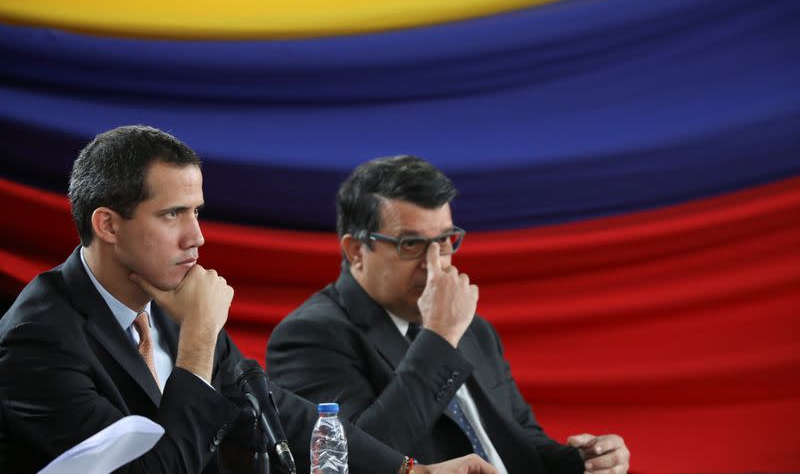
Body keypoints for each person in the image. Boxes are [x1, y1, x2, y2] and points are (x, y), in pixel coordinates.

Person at [0, 126, 496, 474]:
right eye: (172, 215)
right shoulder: (37, 340)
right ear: (107, 224)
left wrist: (410, 471)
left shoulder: (168, 299)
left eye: (197, 212)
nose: (196, 238)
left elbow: (279, 412)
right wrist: (197, 342)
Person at [267, 156, 631, 474]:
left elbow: (520, 439)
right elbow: (355, 461)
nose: (435, 264)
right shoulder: (310, 335)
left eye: (444, 241)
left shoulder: (472, 329)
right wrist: (439, 338)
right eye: (411, 244)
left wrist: (582, 460)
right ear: (356, 250)